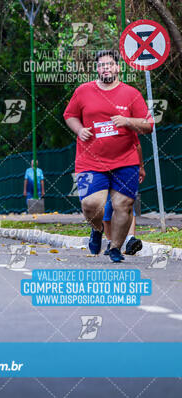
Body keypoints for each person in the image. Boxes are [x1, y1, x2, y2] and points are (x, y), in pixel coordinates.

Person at [64, 49, 153, 262]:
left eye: (110, 64)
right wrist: (79, 130)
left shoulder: (131, 94)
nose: (106, 68)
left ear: (118, 68)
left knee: (124, 205)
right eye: (102, 65)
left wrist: (128, 121)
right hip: (90, 160)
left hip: (125, 160)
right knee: (90, 204)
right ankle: (96, 230)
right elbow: (70, 115)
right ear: (97, 69)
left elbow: (148, 125)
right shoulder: (83, 91)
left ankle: (115, 248)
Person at [103, 144, 145, 256]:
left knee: (127, 205)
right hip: (105, 170)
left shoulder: (127, 128)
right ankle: (110, 242)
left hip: (126, 169)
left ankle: (130, 239)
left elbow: (137, 146)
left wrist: (140, 167)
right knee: (107, 207)